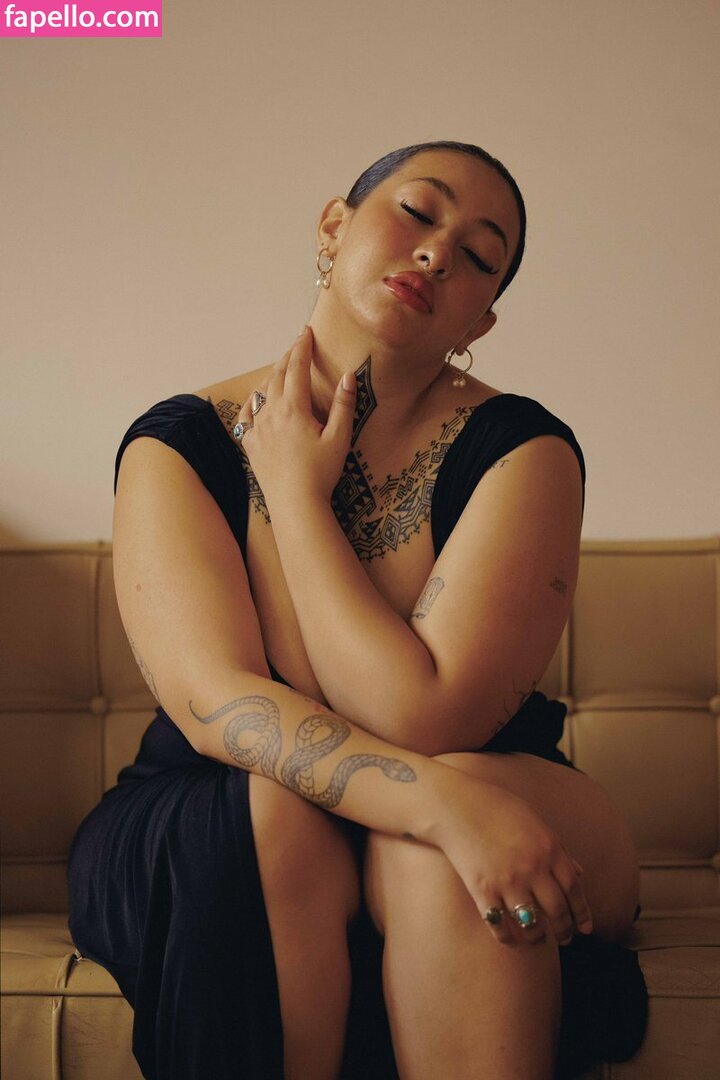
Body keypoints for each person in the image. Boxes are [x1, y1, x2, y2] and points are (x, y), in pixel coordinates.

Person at [68, 140, 648, 1080]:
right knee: (277, 819)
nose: (437, 253)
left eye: (478, 255)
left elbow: (423, 720)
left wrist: (297, 501)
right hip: (226, 792)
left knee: (437, 852)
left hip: (485, 770)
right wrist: (444, 808)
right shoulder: (177, 443)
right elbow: (217, 701)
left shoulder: (524, 452)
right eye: (418, 212)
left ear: (482, 318)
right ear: (334, 227)